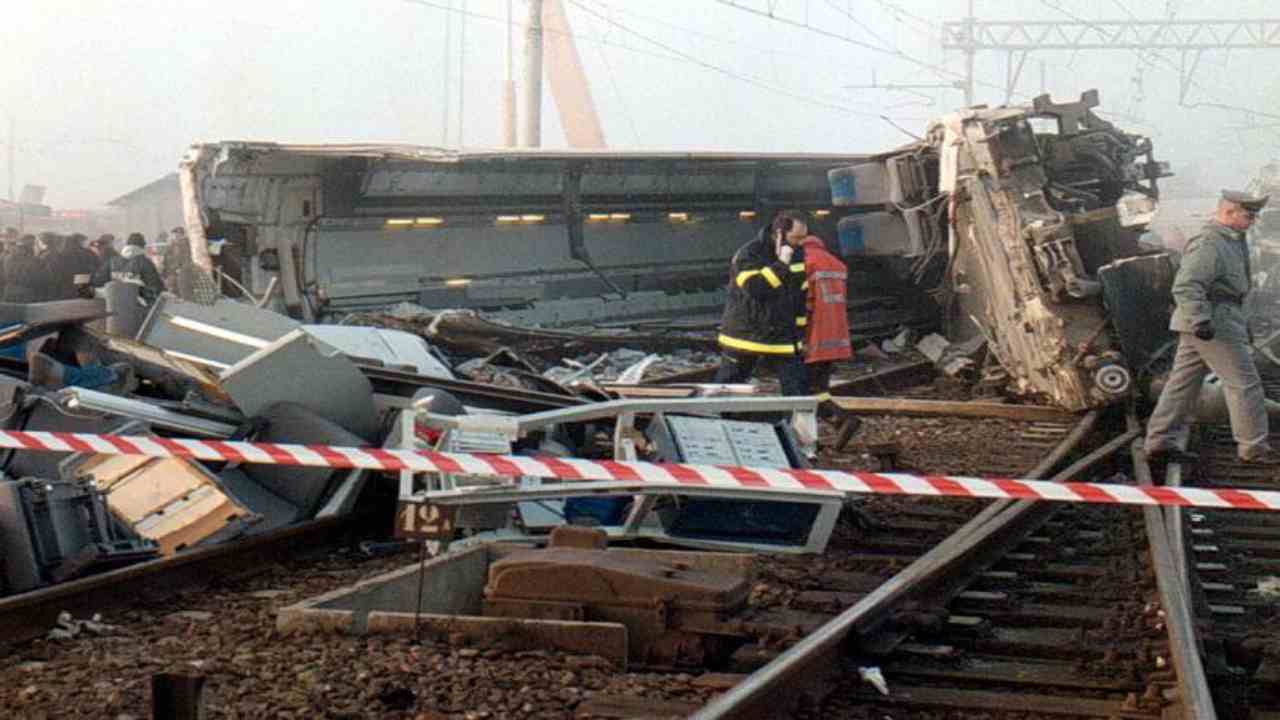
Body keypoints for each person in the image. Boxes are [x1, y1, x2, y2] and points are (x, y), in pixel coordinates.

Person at [1145, 190, 1280, 464]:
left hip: (1219, 319)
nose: (1252, 221)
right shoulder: (1209, 242)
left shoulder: (1231, 239)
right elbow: (1186, 285)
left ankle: (1161, 442)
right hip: (1212, 322)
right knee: (1244, 384)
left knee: (1181, 385)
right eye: (1248, 215)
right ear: (1228, 212)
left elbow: (1237, 289)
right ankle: (1252, 448)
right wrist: (1200, 320)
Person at [713, 210, 809, 395]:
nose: (801, 243)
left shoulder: (798, 254)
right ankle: (713, 420)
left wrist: (800, 334)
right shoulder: (748, 254)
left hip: (782, 337)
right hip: (746, 336)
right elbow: (756, 289)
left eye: (804, 238)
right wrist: (781, 264)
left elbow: (800, 296)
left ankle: (797, 423)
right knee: (728, 386)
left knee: (797, 389)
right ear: (779, 233)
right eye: (796, 237)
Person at [98, 232, 164, 297]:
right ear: (142, 246)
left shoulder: (112, 261)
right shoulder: (145, 263)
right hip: (138, 305)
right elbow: (156, 287)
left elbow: (98, 281)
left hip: (114, 305)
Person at [2, 235, 50, 303]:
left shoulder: (8, 258)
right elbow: (43, 278)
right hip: (26, 294)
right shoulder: (36, 261)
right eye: (32, 245)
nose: (32, 247)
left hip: (11, 292)